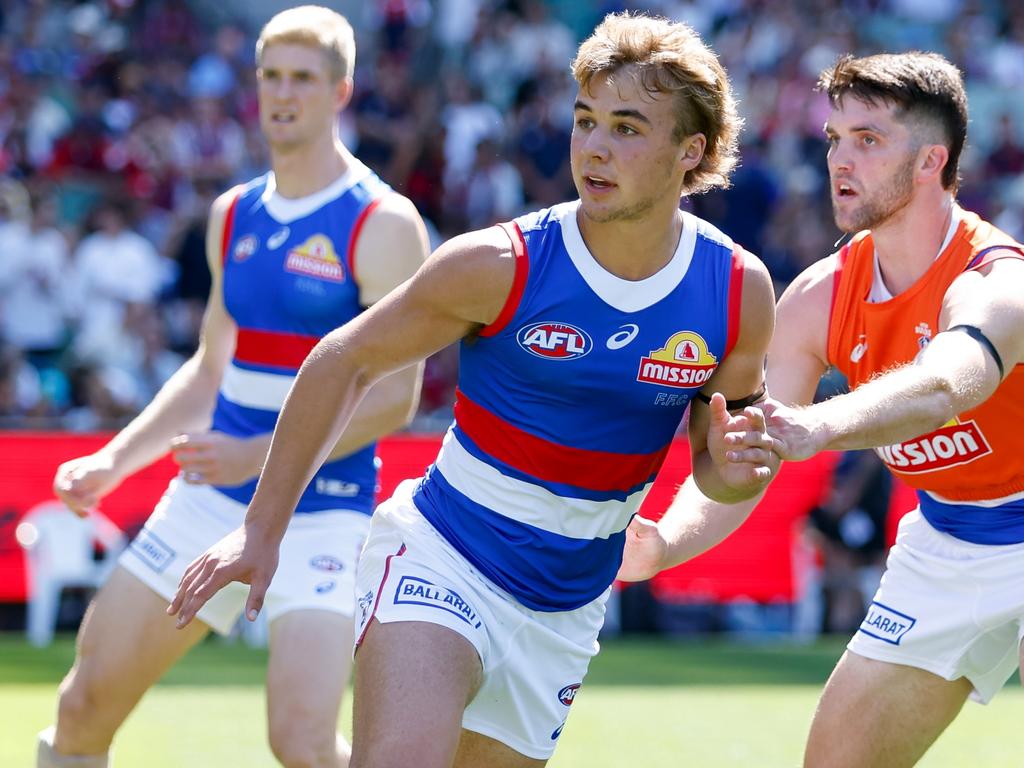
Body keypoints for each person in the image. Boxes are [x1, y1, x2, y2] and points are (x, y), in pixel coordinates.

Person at [169, 12, 779, 768]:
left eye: (627, 127)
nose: (592, 145)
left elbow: (722, 466)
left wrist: (731, 464)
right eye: (585, 120)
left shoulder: (736, 290)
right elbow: (343, 361)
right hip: (442, 555)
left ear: (691, 152)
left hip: (566, 608)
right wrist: (261, 530)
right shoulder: (498, 263)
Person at [40, 7, 429, 768]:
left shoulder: (383, 222)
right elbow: (210, 370)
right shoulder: (233, 215)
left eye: (303, 80)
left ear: (340, 91)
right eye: (271, 77)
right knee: (81, 707)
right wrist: (115, 463)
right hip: (207, 502)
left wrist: (256, 455)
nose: (284, 96)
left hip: (324, 511)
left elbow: (396, 398)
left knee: (303, 743)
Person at [619, 52, 1024, 768]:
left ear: (932, 159)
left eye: (868, 140)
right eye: (835, 137)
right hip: (948, 541)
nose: (840, 157)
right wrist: (667, 544)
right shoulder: (816, 297)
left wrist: (818, 426)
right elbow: (753, 452)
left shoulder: (997, 279)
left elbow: (941, 389)